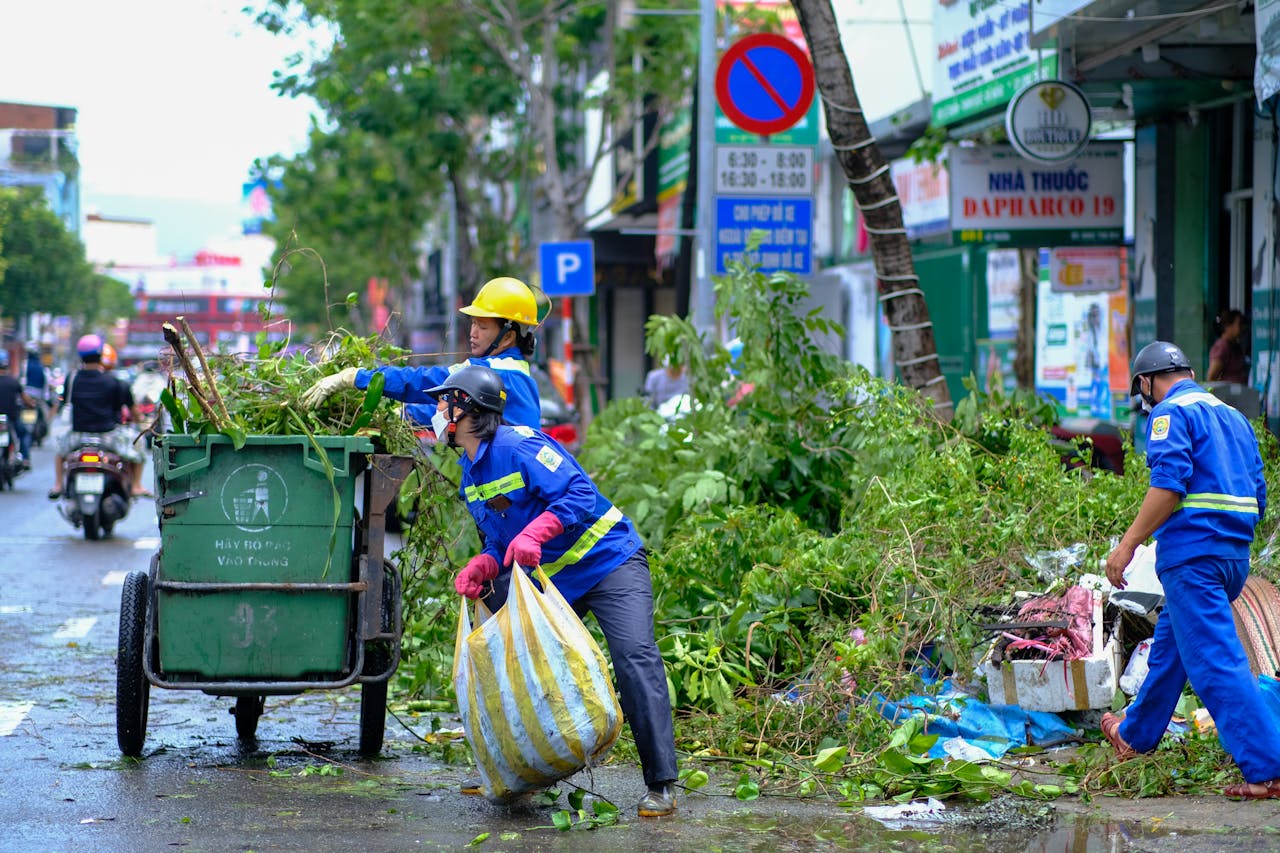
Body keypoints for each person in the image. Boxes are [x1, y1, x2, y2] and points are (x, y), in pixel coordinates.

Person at [431, 364, 679, 818]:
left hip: (609, 562)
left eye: (444, 401)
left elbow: (581, 493)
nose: (436, 410)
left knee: (633, 659)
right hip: (554, 577)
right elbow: (499, 537)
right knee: (509, 659)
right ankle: (519, 770)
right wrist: (486, 560)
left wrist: (539, 531)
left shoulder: (520, 444)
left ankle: (662, 783)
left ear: (468, 410)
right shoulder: (470, 475)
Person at [1102, 340, 1280, 799]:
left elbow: (1168, 486)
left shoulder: (1169, 414)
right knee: (1173, 649)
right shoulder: (1234, 418)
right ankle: (1135, 734)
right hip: (1232, 559)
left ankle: (1267, 770)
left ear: (1146, 382)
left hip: (1193, 559)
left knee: (1216, 663)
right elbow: (1259, 495)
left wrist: (1127, 546)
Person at [301, 277, 543, 430]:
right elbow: (454, 412)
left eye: (482, 326)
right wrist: (400, 415)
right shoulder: (515, 373)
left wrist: (356, 378)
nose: (473, 333)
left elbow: (425, 382)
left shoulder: (492, 375)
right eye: (473, 323)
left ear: (508, 336)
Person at [49, 335, 147, 500]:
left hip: (78, 436)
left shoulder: (72, 379)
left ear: (81, 356)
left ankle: (58, 484)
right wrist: (141, 423)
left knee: (60, 452)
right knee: (139, 447)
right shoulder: (115, 382)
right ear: (101, 355)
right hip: (108, 437)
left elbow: (63, 405)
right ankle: (136, 486)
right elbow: (134, 412)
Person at [0, 349, 36, 467]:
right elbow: (26, 399)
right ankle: (25, 459)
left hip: (9, 421)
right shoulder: (13, 382)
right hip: (12, 419)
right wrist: (31, 404)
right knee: (25, 434)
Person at [1207, 308, 1248, 384]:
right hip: (1226, 393)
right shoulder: (1222, 346)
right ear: (1228, 326)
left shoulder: (1236, 346)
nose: (1243, 328)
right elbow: (1212, 376)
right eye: (1239, 324)